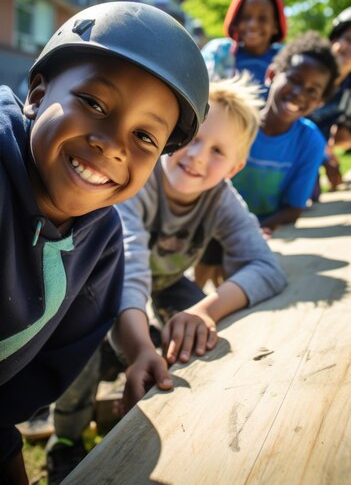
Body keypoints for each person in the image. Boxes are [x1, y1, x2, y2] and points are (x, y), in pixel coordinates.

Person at [0, 0, 210, 485]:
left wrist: (139, 351)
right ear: (36, 93)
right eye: (93, 103)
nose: (114, 143)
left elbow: (67, 345)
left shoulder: (104, 241)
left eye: (144, 136)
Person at [44, 75, 287, 484]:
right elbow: (130, 269)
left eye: (217, 152)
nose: (196, 157)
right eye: (192, 140)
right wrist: (139, 347)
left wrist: (205, 312)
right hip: (102, 285)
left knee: (202, 329)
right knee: (79, 343)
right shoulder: (139, 179)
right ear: (172, 139)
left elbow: (266, 268)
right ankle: (66, 437)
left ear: (235, 167)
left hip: (168, 281)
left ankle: (178, 403)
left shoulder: (223, 199)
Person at [232, 31, 339, 237]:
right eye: (294, 79)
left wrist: (252, 231)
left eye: (312, 91)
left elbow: (294, 208)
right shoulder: (238, 121)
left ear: (319, 103)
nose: (299, 93)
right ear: (271, 75)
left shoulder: (311, 141)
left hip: (260, 230)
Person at [201, 0, 287, 92]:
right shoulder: (218, 52)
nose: (253, 25)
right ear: (235, 21)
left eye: (262, 19)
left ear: (275, 26)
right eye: (246, 17)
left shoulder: (285, 60)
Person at [309, 7, 351, 192]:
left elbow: (343, 136)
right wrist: (324, 156)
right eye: (348, 40)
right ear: (334, 39)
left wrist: (331, 150)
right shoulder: (309, 71)